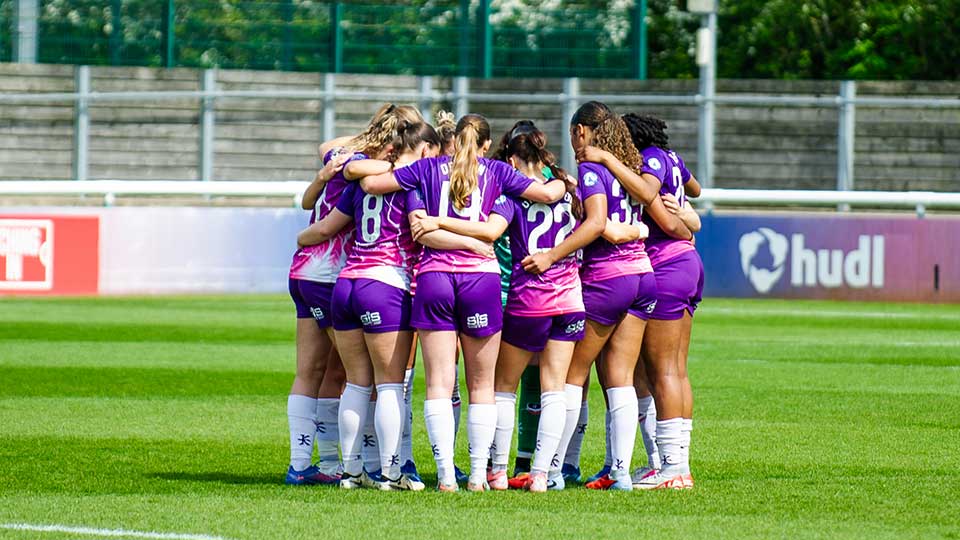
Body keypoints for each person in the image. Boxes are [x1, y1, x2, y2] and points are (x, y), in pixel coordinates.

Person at [349, 113, 566, 491]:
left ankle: (446, 476)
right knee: (481, 385)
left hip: (433, 279)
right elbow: (547, 194)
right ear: (485, 145)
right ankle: (480, 475)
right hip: (480, 279)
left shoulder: (427, 169)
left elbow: (371, 183)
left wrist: (433, 215)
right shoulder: (498, 173)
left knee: (438, 383)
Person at [550, 101, 693, 491]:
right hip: (643, 276)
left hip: (607, 279)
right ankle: (622, 472)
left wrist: (550, 254)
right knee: (621, 378)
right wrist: (689, 220)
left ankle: (556, 469)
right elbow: (675, 198)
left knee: (570, 375)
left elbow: (599, 224)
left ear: (582, 132)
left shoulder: (594, 168)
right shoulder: (633, 170)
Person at [284, 103, 423, 485]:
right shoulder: (379, 170)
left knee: (322, 371)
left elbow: (328, 147)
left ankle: (312, 464)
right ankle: (369, 464)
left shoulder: (345, 155)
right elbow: (351, 181)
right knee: (368, 378)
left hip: (310, 272)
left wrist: (370, 136)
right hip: (336, 274)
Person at [624, 113, 703, 489]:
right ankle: (676, 464)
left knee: (663, 372)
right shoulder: (672, 157)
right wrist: (687, 207)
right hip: (687, 262)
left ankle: (673, 469)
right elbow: (697, 188)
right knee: (676, 370)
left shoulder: (651, 159)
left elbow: (647, 191)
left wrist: (612, 166)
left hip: (667, 263)